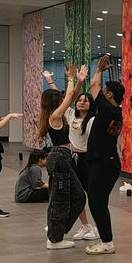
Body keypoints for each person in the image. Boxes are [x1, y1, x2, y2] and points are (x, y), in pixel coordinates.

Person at [39, 64, 88, 249]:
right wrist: (71, 78)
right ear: (55, 103)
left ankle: (55, 229)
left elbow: (70, 96)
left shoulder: (55, 114)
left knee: (78, 197)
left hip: (63, 158)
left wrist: (53, 80)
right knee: (60, 199)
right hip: (60, 158)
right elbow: (68, 97)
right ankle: (54, 238)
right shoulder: (55, 116)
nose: (63, 100)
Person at [83, 55, 124, 255]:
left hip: (103, 163)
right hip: (107, 162)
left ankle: (107, 242)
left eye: (105, 90)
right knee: (99, 202)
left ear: (108, 94)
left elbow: (93, 85)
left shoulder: (108, 110)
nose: (102, 91)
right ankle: (106, 239)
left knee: (97, 203)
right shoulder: (116, 111)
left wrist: (99, 70)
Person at [66, 92, 97, 241]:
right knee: (77, 195)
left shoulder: (92, 120)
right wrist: (51, 81)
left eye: (86, 101)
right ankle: (85, 226)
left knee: (93, 195)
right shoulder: (71, 115)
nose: (82, 103)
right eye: (80, 100)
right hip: (74, 158)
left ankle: (98, 226)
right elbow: (66, 99)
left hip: (88, 159)